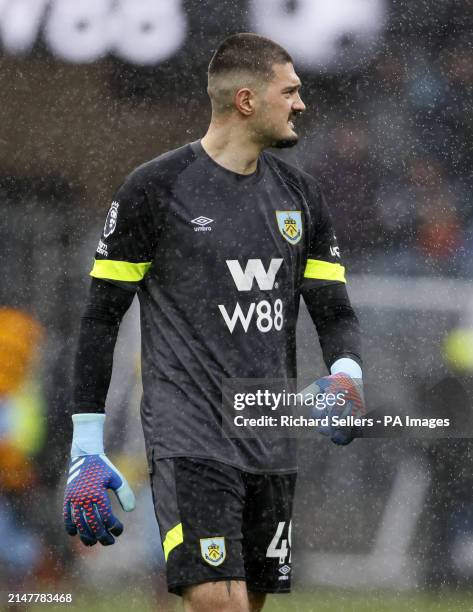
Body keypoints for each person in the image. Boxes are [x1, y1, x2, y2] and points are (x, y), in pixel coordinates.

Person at [64, 33, 363, 612]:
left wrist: (347, 374)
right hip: (191, 436)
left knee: (244, 605)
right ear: (247, 100)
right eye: (290, 91)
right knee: (217, 602)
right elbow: (101, 318)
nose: (301, 104)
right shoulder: (155, 189)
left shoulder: (301, 197)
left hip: (272, 438)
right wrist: (85, 443)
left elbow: (335, 310)